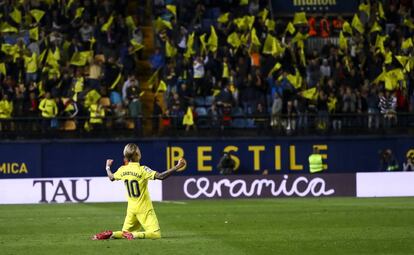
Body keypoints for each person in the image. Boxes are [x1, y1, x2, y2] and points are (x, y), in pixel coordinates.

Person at [92, 143, 186, 240]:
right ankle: (135, 235)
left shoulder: (122, 169)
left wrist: (107, 167)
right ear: (137, 154)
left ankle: (112, 234)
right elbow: (161, 176)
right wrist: (177, 166)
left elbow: (111, 177)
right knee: (156, 234)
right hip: (144, 209)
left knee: (125, 233)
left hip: (131, 209)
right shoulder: (142, 169)